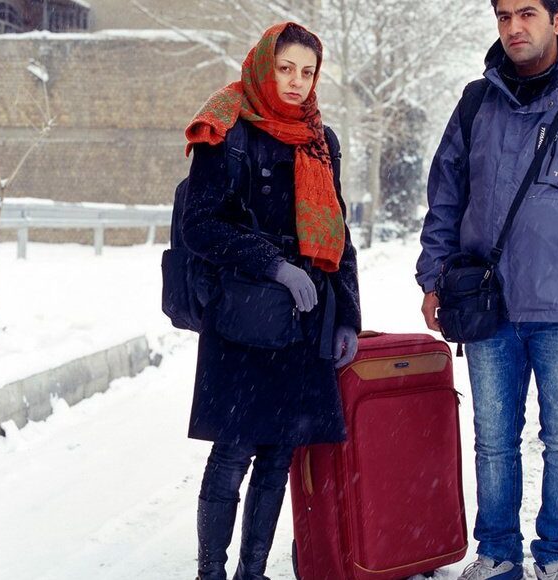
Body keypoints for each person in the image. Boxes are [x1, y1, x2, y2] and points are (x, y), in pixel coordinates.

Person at [416, 1, 558, 579]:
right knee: (493, 441)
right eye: (504, 16)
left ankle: (557, 557)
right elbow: (445, 197)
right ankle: (497, 552)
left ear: (557, 20)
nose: (514, 27)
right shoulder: (476, 103)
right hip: (486, 304)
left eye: (527, 13)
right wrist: (433, 276)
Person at [181, 22, 360, 580]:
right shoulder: (227, 129)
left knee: (279, 453)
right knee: (233, 449)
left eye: (307, 72)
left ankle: (252, 572)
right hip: (244, 313)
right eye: (286, 69)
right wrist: (273, 265)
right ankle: (211, 572)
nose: (296, 82)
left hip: (304, 320)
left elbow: (339, 232)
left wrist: (348, 316)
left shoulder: (319, 140)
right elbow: (199, 225)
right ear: (264, 66)